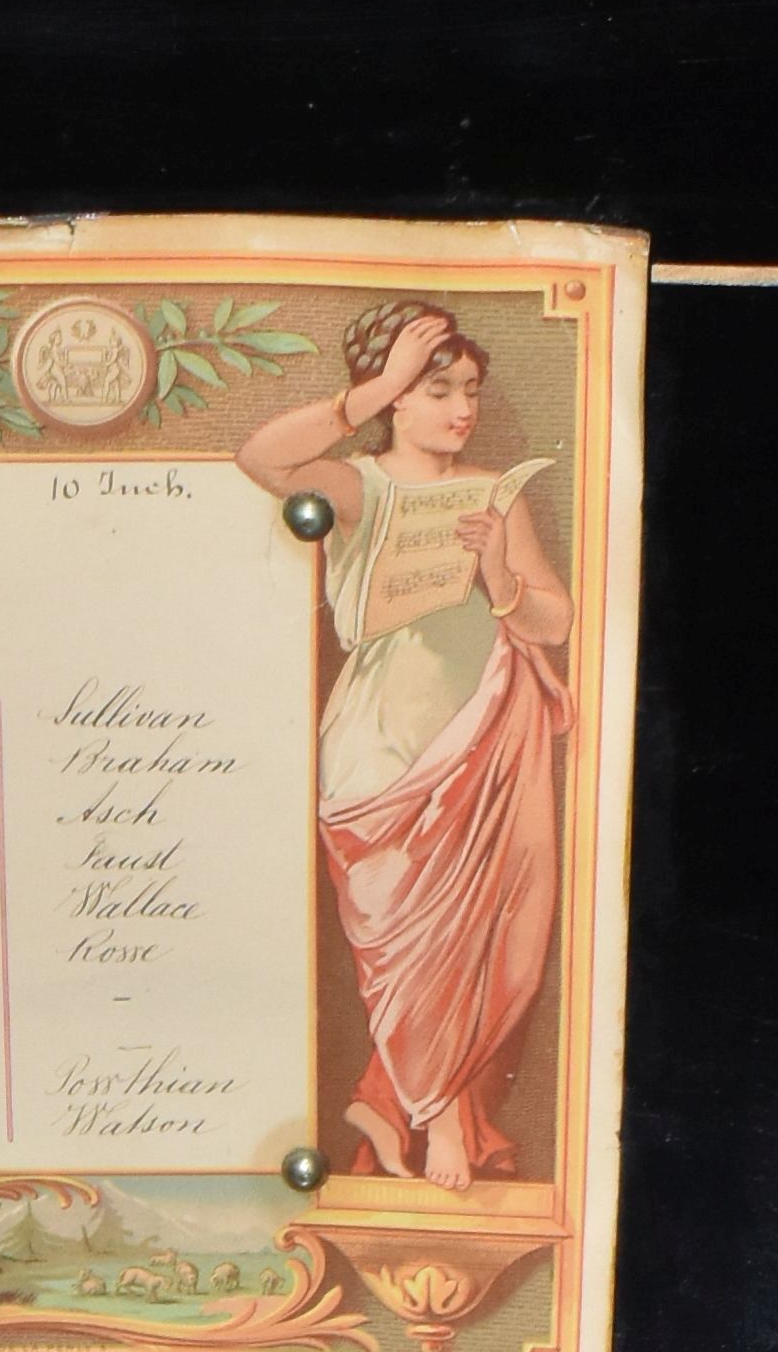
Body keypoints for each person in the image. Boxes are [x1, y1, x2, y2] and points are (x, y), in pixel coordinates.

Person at [236, 301, 574, 1192]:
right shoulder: (357, 486)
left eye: (469, 389)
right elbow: (259, 457)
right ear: (397, 399)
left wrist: (499, 578)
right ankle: (419, 1118)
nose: (461, 408)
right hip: (381, 753)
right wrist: (372, 389)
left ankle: (415, 1116)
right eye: (437, 389)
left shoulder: (498, 493)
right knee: (404, 949)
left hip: (489, 735)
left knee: (483, 944)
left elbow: (556, 616)